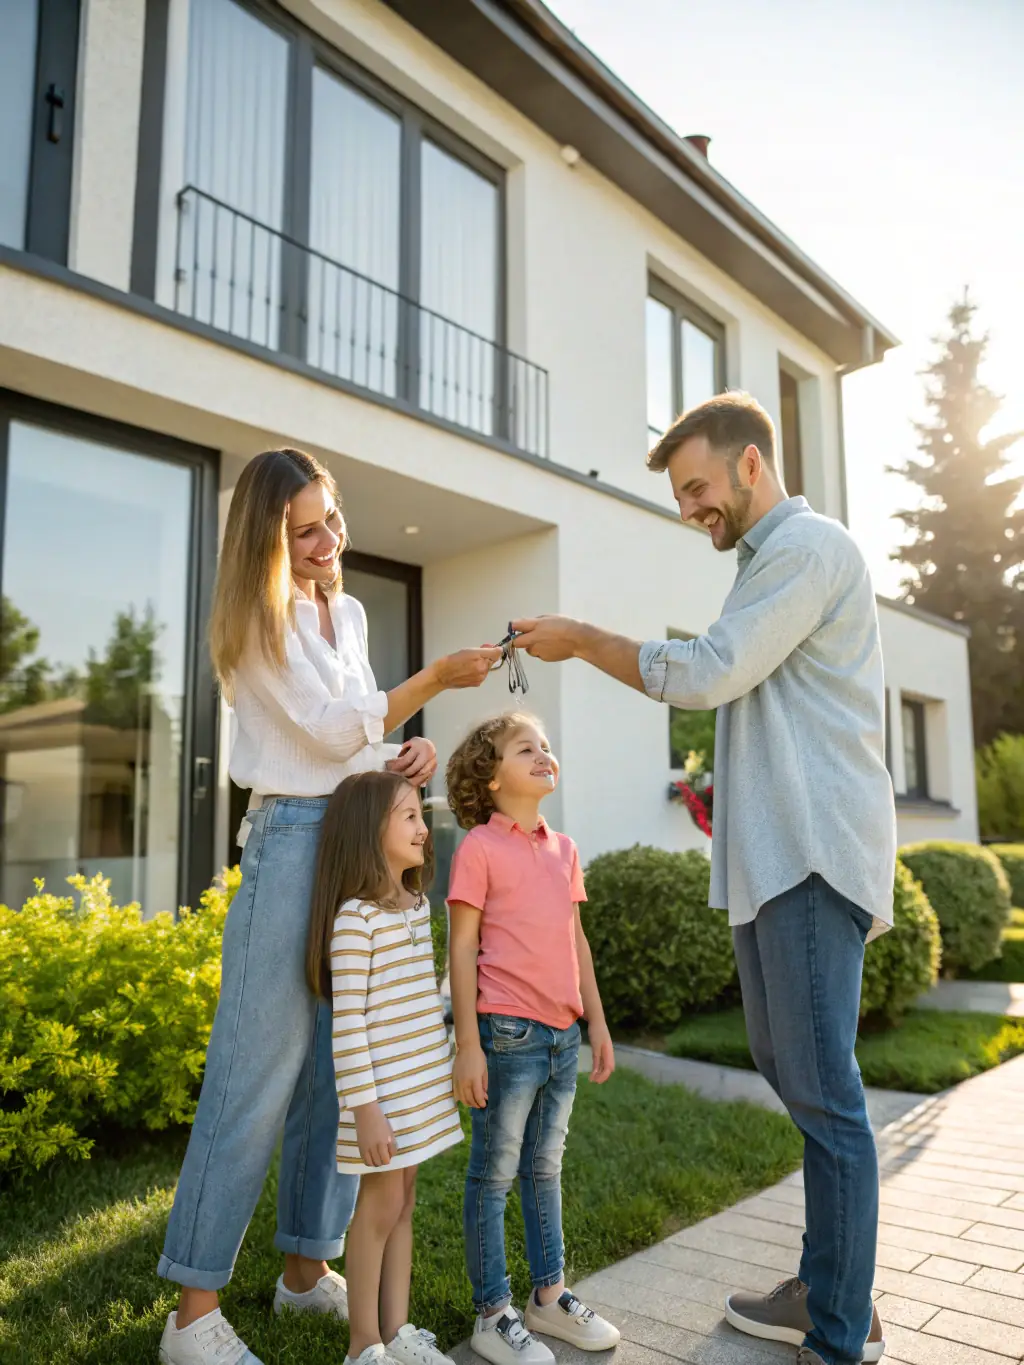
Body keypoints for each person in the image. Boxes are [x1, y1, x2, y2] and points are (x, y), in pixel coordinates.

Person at [509, 392, 894, 1365]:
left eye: (696, 487)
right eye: (682, 494)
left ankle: (839, 1333)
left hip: (811, 860)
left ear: (751, 465)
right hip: (774, 867)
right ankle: (829, 1285)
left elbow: (707, 672)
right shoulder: (766, 569)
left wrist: (582, 641)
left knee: (825, 1095)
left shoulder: (806, 552)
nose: (689, 510)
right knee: (792, 1071)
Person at [157, 448, 500, 1365]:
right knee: (255, 1072)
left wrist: (405, 756)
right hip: (289, 845)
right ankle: (192, 1312)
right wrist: (429, 685)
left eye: (331, 519)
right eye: (302, 529)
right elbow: (323, 725)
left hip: (350, 838)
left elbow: (355, 737)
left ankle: (305, 1267)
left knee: (338, 1079)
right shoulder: (255, 620)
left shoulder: (345, 611)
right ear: (267, 539)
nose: (325, 541)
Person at [445, 711, 621, 1365]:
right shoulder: (479, 848)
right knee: (494, 1174)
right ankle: (493, 1312)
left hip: (561, 1036)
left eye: (546, 745)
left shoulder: (564, 848)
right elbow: (462, 947)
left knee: (545, 1166)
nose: (545, 753)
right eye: (527, 748)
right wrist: (468, 1042)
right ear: (492, 779)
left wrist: (596, 1021)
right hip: (508, 1033)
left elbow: (576, 941)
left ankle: (549, 1297)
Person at [307, 769, 461, 1365]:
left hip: (419, 1087)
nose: (425, 829)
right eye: (411, 818)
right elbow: (348, 1024)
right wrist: (365, 1109)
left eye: (422, 816)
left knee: (404, 1203)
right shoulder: (355, 920)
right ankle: (363, 1343)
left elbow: (418, 1002)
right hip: (382, 1099)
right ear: (370, 832)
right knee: (378, 1207)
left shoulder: (416, 906)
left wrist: (444, 1065)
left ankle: (399, 1331)